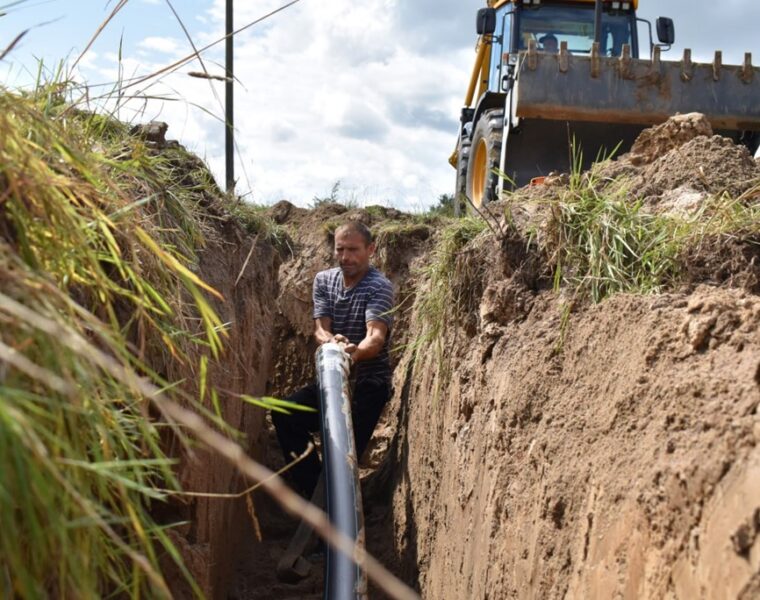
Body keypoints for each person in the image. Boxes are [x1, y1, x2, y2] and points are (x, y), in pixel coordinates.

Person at [272, 220, 394, 498]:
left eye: (353, 250)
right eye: (340, 249)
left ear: (370, 249)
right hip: (332, 378)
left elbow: (375, 337)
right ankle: (313, 493)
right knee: (284, 413)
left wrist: (353, 353)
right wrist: (332, 343)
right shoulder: (325, 280)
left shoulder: (379, 287)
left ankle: (332, 498)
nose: (345, 257)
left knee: (342, 456)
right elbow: (320, 329)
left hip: (367, 384)